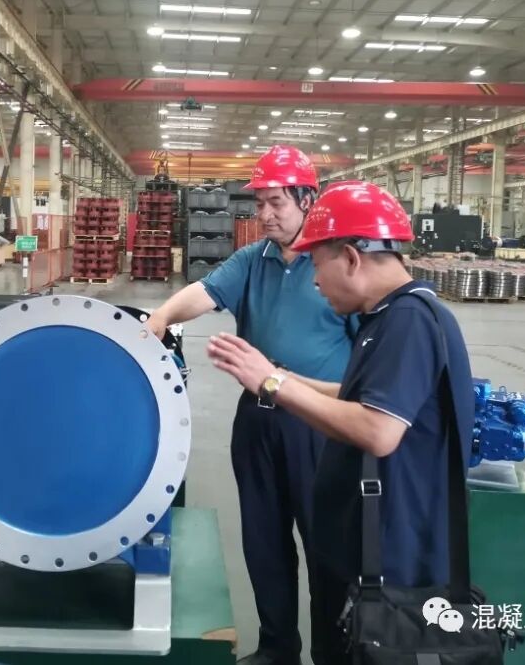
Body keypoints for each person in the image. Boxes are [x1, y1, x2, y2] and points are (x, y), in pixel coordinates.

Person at [206, 180, 475, 665]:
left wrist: (273, 384)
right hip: (369, 537)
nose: (314, 281)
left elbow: (378, 429)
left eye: (316, 265)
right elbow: (356, 396)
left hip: (394, 551)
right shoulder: (385, 318)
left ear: (351, 258)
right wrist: (284, 377)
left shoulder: (410, 321)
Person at [146, 146, 355, 665]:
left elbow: (368, 355)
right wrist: (161, 318)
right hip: (258, 422)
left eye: (276, 202)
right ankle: (278, 648)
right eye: (260, 203)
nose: (265, 214)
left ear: (307, 199)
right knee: (264, 542)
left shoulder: (333, 263)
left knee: (327, 549)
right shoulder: (252, 260)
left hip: (319, 425)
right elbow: (203, 293)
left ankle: (334, 653)